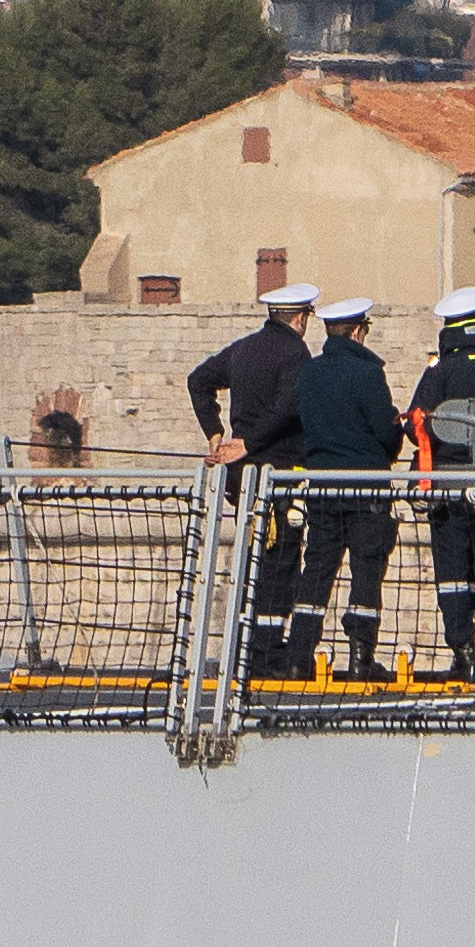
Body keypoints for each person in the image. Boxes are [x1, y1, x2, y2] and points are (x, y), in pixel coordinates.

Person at [190, 280, 320, 677]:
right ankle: (265, 652)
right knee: (280, 562)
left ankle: (246, 645)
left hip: (241, 479)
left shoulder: (243, 349)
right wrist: (249, 443)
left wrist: (215, 431)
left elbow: (198, 380)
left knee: (252, 559)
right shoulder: (296, 354)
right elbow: (286, 409)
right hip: (277, 475)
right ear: (299, 319)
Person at [403, 287, 475, 684]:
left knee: (453, 575)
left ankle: (463, 655)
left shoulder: (440, 372)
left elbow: (414, 425)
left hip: (449, 491)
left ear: (450, 329)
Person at [288, 297, 402, 679]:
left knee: (317, 568)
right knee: (367, 570)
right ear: (358, 332)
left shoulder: (309, 373)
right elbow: (386, 433)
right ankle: (360, 658)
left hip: (321, 485)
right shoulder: (368, 375)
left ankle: (299, 655)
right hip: (366, 486)